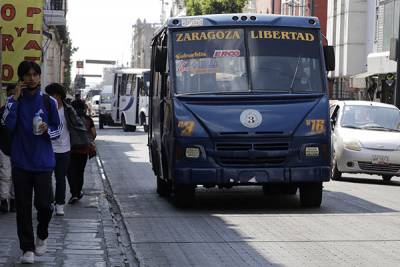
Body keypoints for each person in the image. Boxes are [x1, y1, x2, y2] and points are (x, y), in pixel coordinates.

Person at [1, 61, 61, 264]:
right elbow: (7, 125)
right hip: (21, 162)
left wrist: (47, 130)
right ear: (21, 78)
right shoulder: (12, 100)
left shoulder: (48, 102)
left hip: (43, 163)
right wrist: (15, 99)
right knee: (23, 208)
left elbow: (58, 130)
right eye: (28, 75)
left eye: (35, 74)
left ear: (39, 77)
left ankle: (42, 234)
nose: (32, 78)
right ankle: (27, 248)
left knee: (45, 205)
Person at [45, 84, 71, 216]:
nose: (49, 98)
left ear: (58, 96)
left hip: (64, 150)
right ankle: (49, 202)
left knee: (60, 178)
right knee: (46, 178)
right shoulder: (46, 109)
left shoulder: (68, 110)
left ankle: (60, 204)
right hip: (48, 150)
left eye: (51, 95)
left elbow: (77, 125)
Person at [67, 100, 96, 204]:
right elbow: (93, 133)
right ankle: (78, 192)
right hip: (83, 150)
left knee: (70, 172)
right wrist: (89, 140)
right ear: (84, 108)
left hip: (70, 149)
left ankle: (74, 193)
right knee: (80, 172)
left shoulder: (69, 118)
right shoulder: (88, 119)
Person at [0, 84, 16, 213]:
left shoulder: (21, 109)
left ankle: (14, 200)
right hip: (4, 147)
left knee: (16, 176)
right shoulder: (2, 111)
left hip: (19, 148)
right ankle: (4, 200)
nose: (12, 96)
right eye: (10, 94)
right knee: (6, 175)